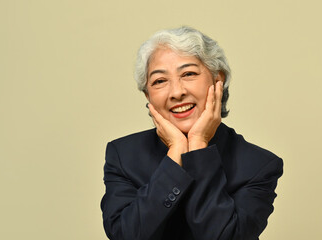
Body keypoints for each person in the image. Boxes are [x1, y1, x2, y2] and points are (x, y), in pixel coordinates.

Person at [100, 26, 283, 240]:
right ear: (147, 95)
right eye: (159, 81)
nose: (177, 92)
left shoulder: (258, 165)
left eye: (188, 74)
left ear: (218, 81)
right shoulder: (123, 155)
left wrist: (198, 145)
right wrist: (176, 154)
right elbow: (125, 236)